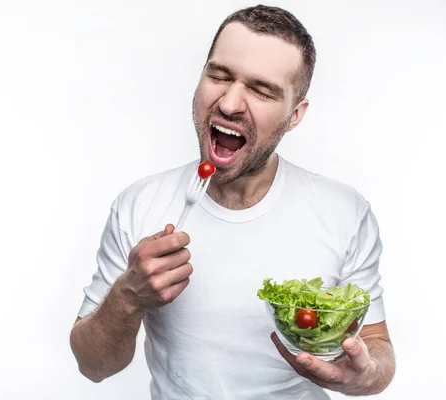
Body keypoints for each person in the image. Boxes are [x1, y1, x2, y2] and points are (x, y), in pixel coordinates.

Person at [70, 5, 395, 399]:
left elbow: (377, 346)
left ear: (295, 115)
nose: (228, 104)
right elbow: (93, 366)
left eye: (261, 90)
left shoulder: (344, 211)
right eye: (219, 75)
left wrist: (362, 374)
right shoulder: (139, 205)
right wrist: (126, 296)